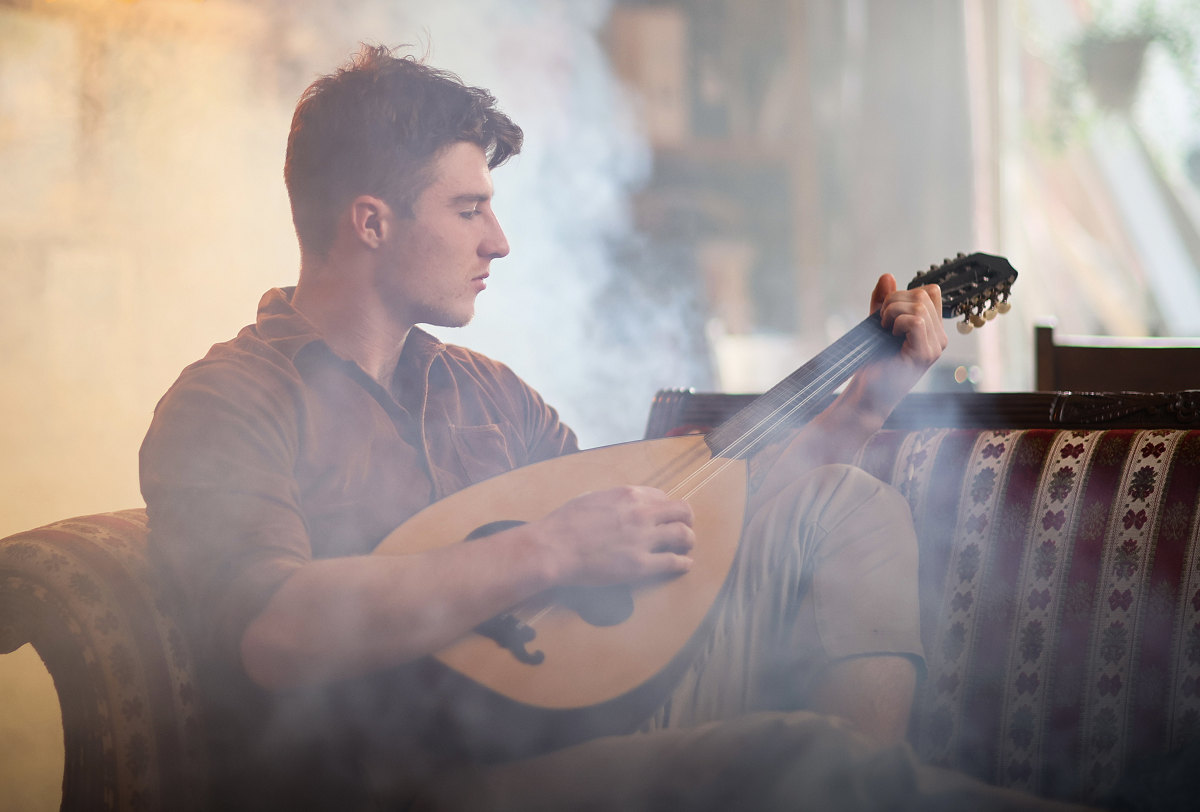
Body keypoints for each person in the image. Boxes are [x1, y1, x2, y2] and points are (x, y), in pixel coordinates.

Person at [139, 46, 1083, 812]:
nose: (498, 240)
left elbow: (681, 529)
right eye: (468, 209)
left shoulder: (486, 394)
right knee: (802, 757)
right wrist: (546, 551)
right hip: (417, 782)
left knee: (847, 506)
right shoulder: (231, 401)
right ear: (370, 222)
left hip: (573, 715)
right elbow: (272, 631)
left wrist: (867, 403)